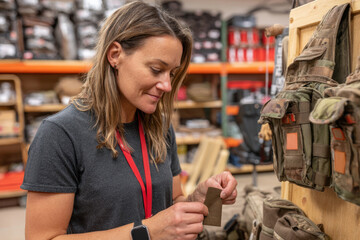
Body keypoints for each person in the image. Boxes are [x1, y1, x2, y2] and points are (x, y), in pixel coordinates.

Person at [21, 1, 238, 239]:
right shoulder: (60, 135)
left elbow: (172, 202)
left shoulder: (160, 128)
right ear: (115, 55)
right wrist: (146, 232)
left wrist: (198, 198)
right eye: (156, 69)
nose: (167, 85)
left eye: (172, 74)